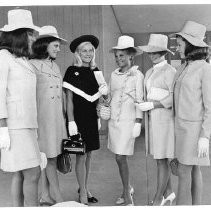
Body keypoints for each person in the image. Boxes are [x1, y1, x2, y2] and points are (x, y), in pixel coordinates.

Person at [0, 9, 45, 206]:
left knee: (20, 173)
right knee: (33, 172)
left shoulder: (22, 59)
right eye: (30, 33)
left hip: (28, 124)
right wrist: (2, 128)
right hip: (14, 127)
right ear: (19, 35)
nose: (34, 38)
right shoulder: (3, 56)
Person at [63, 35, 108, 205]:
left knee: (89, 155)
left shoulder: (96, 71)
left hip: (91, 117)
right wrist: (71, 121)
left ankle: (85, 187)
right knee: (80, 155)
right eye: (84, 50)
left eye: (90, 50)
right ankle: (82, 192)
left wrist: (100, 108)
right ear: (78, 53)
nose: (88, 53)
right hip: (78, 118)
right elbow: (68, 99)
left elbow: (102, 98)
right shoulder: (71, 70)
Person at [172, 21, 211, 205]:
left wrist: (205, 135)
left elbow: (210, 105)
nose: (177, 47)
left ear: (190, 44)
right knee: (194, 170)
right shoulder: (183, 66)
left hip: (194, 131)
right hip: (180, 127)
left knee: (183, 172)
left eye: (179, 44)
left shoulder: (205, 68)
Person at [30, 25, 68, 206]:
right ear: (44, 45)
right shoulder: (32, 66)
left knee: (49, 158)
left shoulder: (56, 66)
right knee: (49, 158)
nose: (59, 50)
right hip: (42, 120)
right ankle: (59, 198)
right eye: (56, 46)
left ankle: (45, 195)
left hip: (56, 120)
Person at [137, 34, 176, 205]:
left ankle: (158, 196)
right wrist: (144, 103)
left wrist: (153, 105)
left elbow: (173, 98)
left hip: (165, 120)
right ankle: (169, 192)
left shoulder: (170, 71)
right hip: (153, 120)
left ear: (163, 53)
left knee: (162, 159)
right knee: (159, 157)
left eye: (156, 52)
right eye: (150, 52)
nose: (152, 55)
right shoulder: (149, 72)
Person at [106, 35, 143, 206]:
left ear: (130, 56)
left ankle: (127, 195)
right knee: (118, 158)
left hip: (129, 122)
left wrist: (138, 122)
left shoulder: (138, 75)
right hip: (114, 122)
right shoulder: (113, 75)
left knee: (121, 157)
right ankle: (126, 187)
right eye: (116, 56)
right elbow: (111, 97)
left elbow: (140, 100)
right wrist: (104, 106)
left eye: (122, 55)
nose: (118, 59)